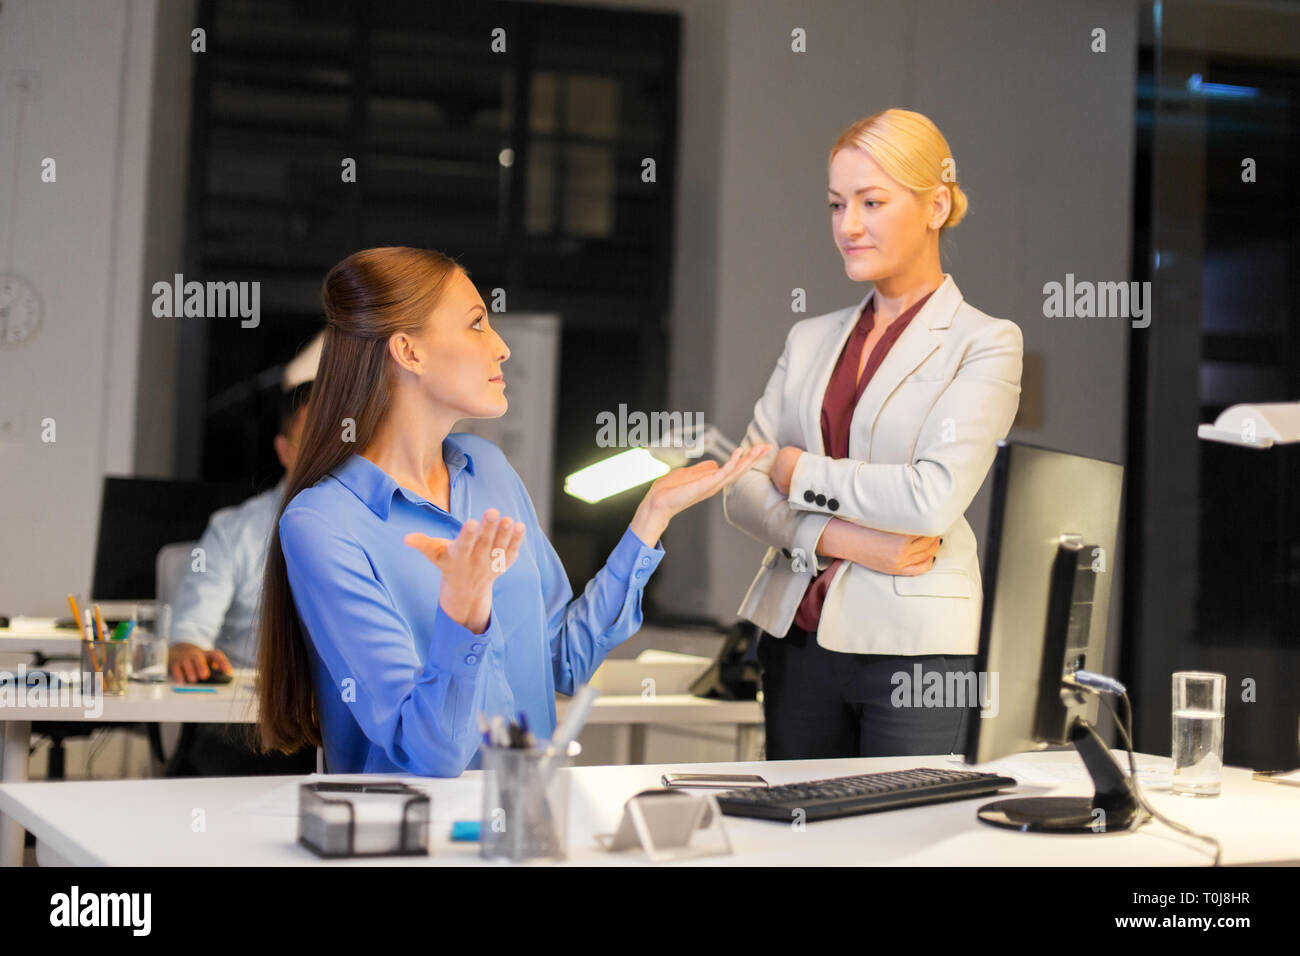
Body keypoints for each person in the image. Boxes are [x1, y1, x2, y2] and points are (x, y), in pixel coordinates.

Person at [255, 246, 767, 775]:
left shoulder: (488, 467)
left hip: (528, 827)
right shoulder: (322, 524)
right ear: (409, 352)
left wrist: (651, 517)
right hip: (414, 839)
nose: (500, 348)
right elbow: (429, 752)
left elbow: (562, 662)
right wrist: (465, 613)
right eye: (477, 324)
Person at [722, 108, 1023, 760]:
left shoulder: (985, 343)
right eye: (836, 205)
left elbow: (932, 500)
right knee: (798, 849)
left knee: (900, 847)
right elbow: (741, 489)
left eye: (872, 202)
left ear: (935, 205)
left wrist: (798, 472)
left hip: (916, 651)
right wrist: (843, 538)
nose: (848, 226)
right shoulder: (809, 339)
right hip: (797, 640)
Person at [165, 334, 322, 775]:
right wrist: (187, 650)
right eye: (310, 440)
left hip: (338, 724)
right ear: (284, 450)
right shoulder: (234, 529)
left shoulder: (372, 527)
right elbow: (190, 629)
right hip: (248, 728)